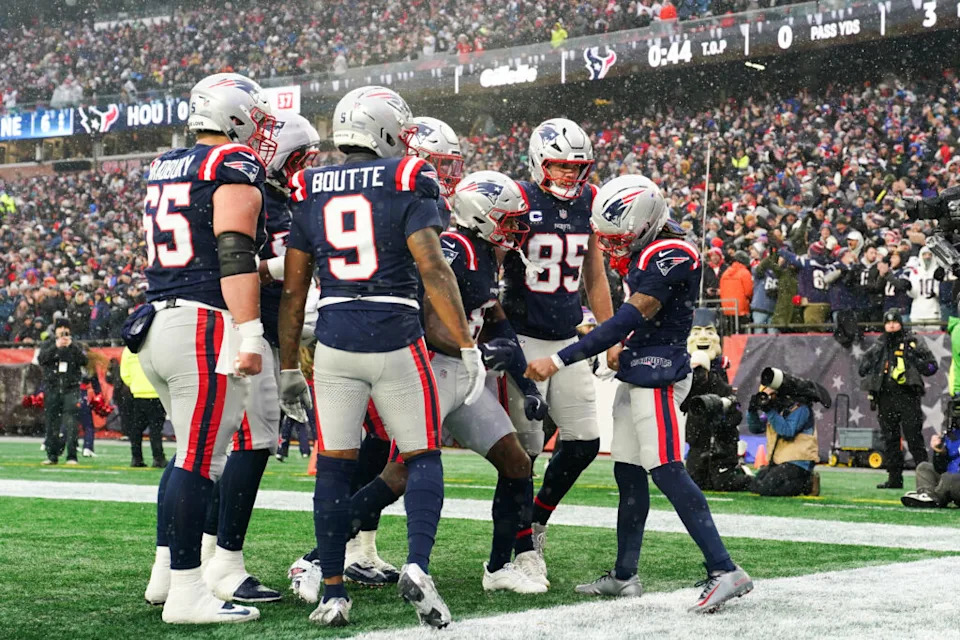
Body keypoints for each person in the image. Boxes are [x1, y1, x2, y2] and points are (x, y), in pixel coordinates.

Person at [277, 86, 483, 628]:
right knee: (421, 456)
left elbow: (296, 291)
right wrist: (465, 342)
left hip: (337, 342)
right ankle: (417, 565)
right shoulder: (407, 179)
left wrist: (285, 365)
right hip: (396, 336)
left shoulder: (308, 186)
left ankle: (333, 591)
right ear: (387, 129)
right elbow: (435, 269)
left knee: (334, 467)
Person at [526, 174, 752, 613]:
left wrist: (561, 358)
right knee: (628, 474)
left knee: (667, 469)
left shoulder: (673, 253)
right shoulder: (651, 247)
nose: (612, 246)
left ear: (646, 223)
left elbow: (630, 316)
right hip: (638, 369)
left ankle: (725, 569)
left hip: (660, 376)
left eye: (620, 236)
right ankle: (625, 575)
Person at [139, 72, 277, 625]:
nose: (262, 131)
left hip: (158, 321)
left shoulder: (165, 165)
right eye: (257, 118)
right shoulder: (230, 166)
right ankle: (188, 593)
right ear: (235, 116)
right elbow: (233, 251)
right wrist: (250, 330)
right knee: (199, 462)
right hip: (202, 324)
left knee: (188, 460)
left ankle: (166, 576)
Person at [200, 112, 320, 607]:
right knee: (248, 446)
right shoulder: (250, 195)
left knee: (238, 448)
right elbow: (231, 262)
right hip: (242, 332)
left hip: (264, 333)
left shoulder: (282, 200)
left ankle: (205, 555)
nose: (303, 168)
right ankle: (224, 561)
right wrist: (290, 263)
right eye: (297, 158)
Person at [500, 118, 615, 585]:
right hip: (522, 335)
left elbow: (595, 277)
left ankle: (538, 518)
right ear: (538, 161)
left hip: (567, 339)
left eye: (577, 167)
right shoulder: (518, 200)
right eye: (560, 166)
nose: (570, 175)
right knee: (523, 453)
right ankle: (521, 548)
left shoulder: (590, 201)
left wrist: (609, 336)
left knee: (585, 440)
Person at [858, 308, 937, 489]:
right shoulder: (879, 345)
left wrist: (915, 359)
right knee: (890, 439)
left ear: (901, 323)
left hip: (908, 396)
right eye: (888, 322)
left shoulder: (912, 342)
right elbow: (862, 368)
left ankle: (926, 481)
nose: (891, 325)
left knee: (914, 438)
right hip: (885, 397)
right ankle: (894, 479)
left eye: (895, 322)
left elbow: (932, 367)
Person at [683, 351, 751, 492]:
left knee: (722, 484)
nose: (697, 374)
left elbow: (736, 416)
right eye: (693, 370)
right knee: (695, 483)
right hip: (698, 443)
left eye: (700, 369)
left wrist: (720, 423)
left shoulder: (722, 388)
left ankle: (743, 475)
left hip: (722, 445)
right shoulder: (687, 388)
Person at [745, 375, 820, 497]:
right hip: (779, 461)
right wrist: (752, 411)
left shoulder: (800, 408)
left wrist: (769, 410)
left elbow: (787, 432)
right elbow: (756, 428)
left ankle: (808, 483)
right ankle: (797, 483)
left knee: (767, 489)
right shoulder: (775, 410)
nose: (768, 398)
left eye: (771, 394)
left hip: (798, 461)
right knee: (755, 486)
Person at [37, 319, 87, 465]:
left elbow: (84, 361)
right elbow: (42, 359)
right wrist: (56, 347)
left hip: (70, 388)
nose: (63, 331)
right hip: (52, 388)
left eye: (66, 329)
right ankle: (52, 455)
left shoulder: (76, 345)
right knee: (52, 423)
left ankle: (72, 455)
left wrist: (71, 346)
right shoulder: (48, 344)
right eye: (60, 328)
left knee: (71, 423)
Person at [119, 346, 167, 468]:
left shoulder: (129, 349)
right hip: (156, 393)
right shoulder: (156, 347)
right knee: (155, 429)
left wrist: (134, 384)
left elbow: (125, 373)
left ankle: (136, 458)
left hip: (137, 394)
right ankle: (158, 458)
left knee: (136, 429)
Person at [901, 416, 960, 508]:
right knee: (924, 467)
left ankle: (934, 498)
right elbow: (940, 468)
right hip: (952, 481)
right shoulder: (952, 435)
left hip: (954, 480)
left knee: (949, 477)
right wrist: (939, 452)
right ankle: (927, 495)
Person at [718, 250, 752, 334]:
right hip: (741, 308)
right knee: (741, 332)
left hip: (727, 307)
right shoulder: (745, 273)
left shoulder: (725, 273)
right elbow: (748, 292)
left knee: (730, 332)